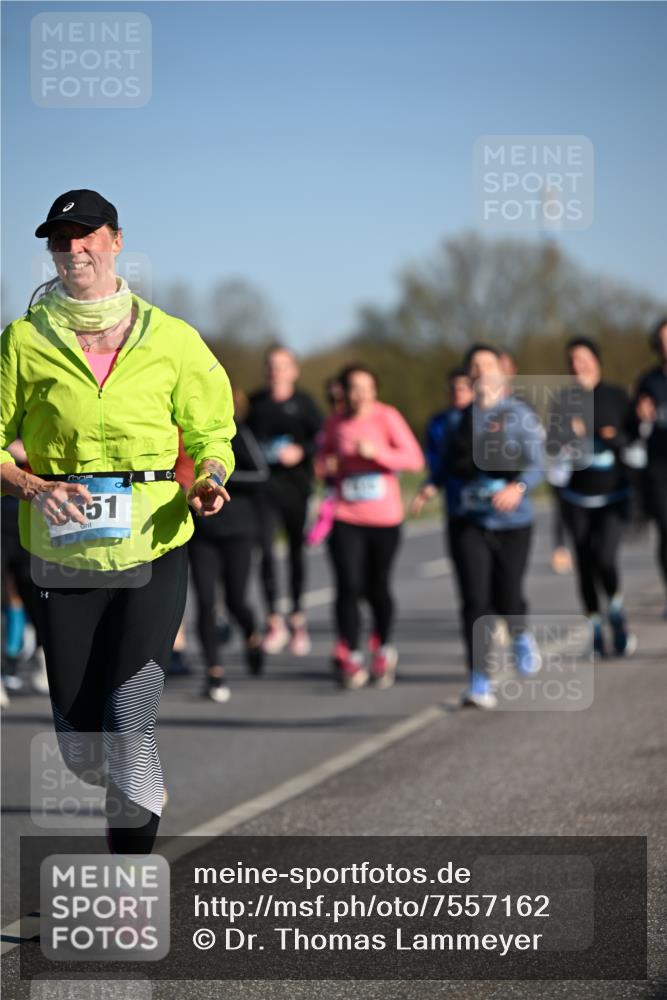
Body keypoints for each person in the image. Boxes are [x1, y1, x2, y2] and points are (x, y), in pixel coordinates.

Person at [0, 189, 235, 854]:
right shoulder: (23, 341)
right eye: (60, 239)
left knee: (129, 722)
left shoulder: (172, 338)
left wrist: (211, 480)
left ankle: (130, 879)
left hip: (153, 545)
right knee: (81, 745)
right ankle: (130, 789)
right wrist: (28, 484)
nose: (74, 249)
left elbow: (213, 430)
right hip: (60, 555)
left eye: (87, 235)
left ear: (116, 241)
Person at [449, 344, 544, 709]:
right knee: (475, 600)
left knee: (507, 593)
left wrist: (516, 488)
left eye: (487, 365)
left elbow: (539, 464)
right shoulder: (461, 419)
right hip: (470, 519)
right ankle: (478, 680)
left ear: (501, 373)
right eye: (474, 366)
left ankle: (521, 636)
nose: (480, 371)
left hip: (513, 522)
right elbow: (444, 465)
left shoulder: (519, 415)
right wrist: (429, 485)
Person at [318, 364, 424, 689]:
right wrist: (327, 465)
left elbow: (414, 459)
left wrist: (377, 453)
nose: (361, 394)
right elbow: (321, 461)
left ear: (375, 391)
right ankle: (350, 652)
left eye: (367, 387)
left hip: (384, 518)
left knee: (377, 586)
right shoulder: (335, 422)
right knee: (348, 585)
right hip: (346, 515)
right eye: (354, 388)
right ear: (344, 392)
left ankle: (383, 645)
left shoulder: (387, 417)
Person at [549, 336, 636, 656]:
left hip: (613, 495)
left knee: (605, 558)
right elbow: (555, 456)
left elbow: (631, 442)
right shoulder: (563, 401)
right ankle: (596, 627)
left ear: (596, 361)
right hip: (576, 497)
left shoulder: (615, 397)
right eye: (571, 360)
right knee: (584, 567)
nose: (577, 365)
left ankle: (615, 609)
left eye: (583, 358)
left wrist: (605, 437)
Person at [188, 389, 267, 701]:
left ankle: (251, 635)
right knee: (205, 603)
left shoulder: (237, 434)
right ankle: (214, 673)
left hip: (237, 531)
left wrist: (219, 481)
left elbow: (261, 474)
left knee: (236, 601)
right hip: (201, 532)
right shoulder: (189, 436)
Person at [246, 346, 322, 656]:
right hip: (263, 491)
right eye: (271, 366)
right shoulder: (254, 403)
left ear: (294, 371)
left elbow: (323, 439)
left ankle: (298, 618)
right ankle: (274, 620)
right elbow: (240, 438)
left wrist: (302, 452)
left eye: (282, 366)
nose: (276, 371)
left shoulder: (305, 404)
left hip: (296, 489)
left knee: (294, 552)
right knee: (264, 551)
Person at [632, 318, 667, 617]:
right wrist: (641, 416)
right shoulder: (649, 381)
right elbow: (634, 426)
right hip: (658, 466)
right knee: (666, 531)